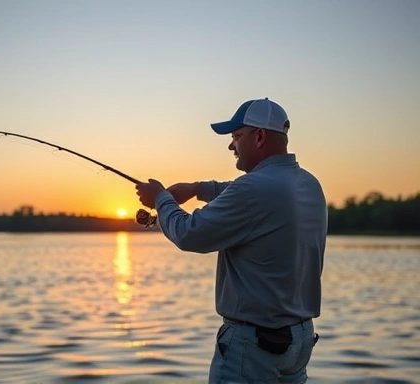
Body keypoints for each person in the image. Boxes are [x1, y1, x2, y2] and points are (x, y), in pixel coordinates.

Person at [135, 97, 327, 383]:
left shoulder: (254, 189)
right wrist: (197, 188)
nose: (231, 145)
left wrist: (160, 199)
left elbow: (189, 233)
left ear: (259, 136)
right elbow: (244, 193)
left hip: (253, 347)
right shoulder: (308, 183)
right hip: (298, 342)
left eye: (236, 136)